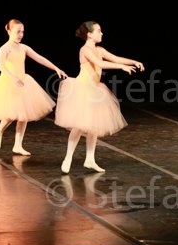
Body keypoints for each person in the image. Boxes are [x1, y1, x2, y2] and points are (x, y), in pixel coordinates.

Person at [55, 21, 144, 173]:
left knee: (93, 125)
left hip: (95, 90)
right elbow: (99, 64)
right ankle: (68, 158)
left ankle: (90, 159)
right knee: (79, 126)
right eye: (98, 31)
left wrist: (133, 62)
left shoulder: (99, 50)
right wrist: (121, 67)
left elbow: (116, 58)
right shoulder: (85, 50)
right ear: (89, 34)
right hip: (83, 89)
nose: (101, 33)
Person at [0, 19, 68, 155]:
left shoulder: (23, 48)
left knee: (23, 116)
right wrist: (12, 77)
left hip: (23, 83)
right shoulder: (5, 48)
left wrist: (56, 68)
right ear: (9, 31)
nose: (21, 35)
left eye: (22, 32)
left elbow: (40, 58)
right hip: (9, 83)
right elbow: (0, 65)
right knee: (10, 115)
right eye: (18, 32)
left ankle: (18, 145)